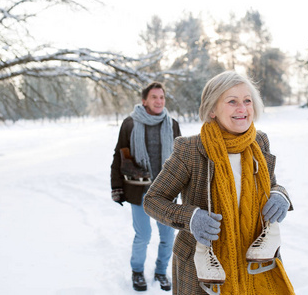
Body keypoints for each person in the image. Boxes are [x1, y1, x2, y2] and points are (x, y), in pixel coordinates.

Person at [143, 71, 295, 294]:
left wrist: (281, 195)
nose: (242, 109)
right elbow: (152, 200)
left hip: (253, 260)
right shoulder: (190, 150)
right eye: (232, 101)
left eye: (247, 101)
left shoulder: (258, 142)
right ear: (212, 109)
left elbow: (270, 185)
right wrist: (191, 218)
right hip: (204, 267)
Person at [110, 82, 181, 292]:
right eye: (154, 97)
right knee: (143, 235)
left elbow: (180, 159)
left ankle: (161, 271)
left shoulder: (172, 124)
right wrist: (117, 187)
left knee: (168, 237)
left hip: (166, 191)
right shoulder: (129, 124)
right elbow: (118, 155)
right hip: (138, 189)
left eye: (162, 97)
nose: (159, 101)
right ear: (144, 101)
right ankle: (137, 271)